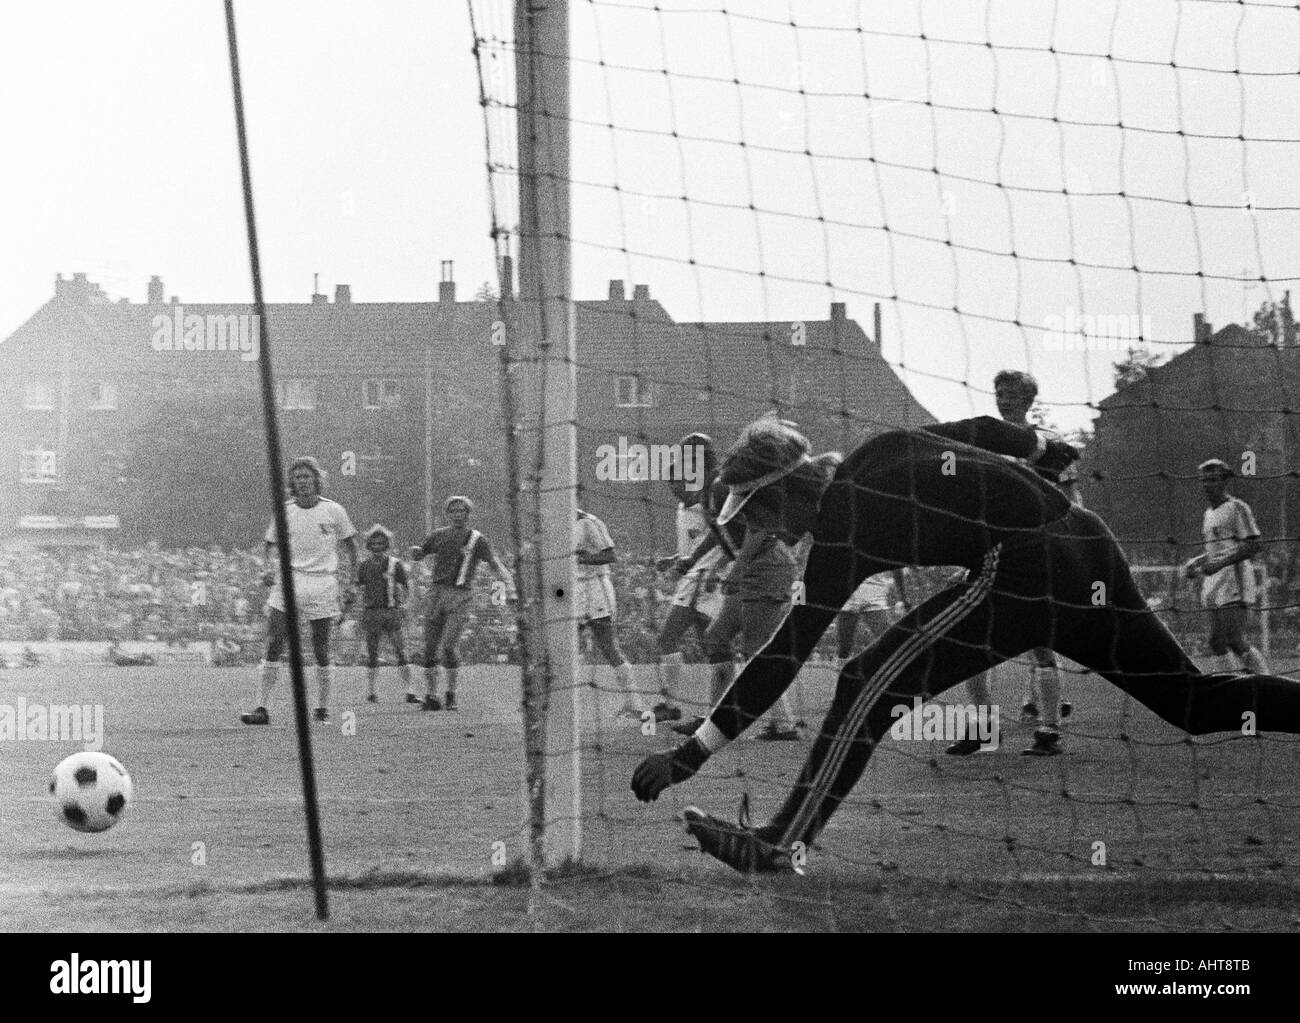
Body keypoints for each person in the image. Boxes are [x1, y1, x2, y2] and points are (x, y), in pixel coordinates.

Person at [630, 415, 1300, 874]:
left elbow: (783, 652)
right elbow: (983, 432)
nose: (771, 534)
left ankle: (780, 844)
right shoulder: (878, 451)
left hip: (1027, 565)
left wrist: (693, 751)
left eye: (763, 518)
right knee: (1193, 701)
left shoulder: (840, 528)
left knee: (867, 680)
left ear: (782, 491)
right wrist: (1042, 446)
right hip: (1083, 539)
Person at [950, 370, 1077, 757]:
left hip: (1034, 554)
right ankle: (985, 728)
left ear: (1029, 399)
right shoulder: (986, 446)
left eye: (1010, 394)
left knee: (1039, 644)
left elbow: (1073, 500)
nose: (1003, 400)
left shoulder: (1050, 446)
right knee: (970, 642)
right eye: (998, 393)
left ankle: (1049, 730)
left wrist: (1066, 546)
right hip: (991, 555)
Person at [241, 456, 358, 726]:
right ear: (292, 482)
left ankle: (322, 709)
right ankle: (262, 708)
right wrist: (267, 567)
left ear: (317, 479)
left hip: (322, 583)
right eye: (298, 477)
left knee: (320, 646)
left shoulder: (334, 511)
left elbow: (351, 546)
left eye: (307, 476)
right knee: (275, 641)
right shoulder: (284, 511)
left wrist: (352, 582)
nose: (303, 481)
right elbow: (269, 545)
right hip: (289, 580)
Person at [653, 433, 732, 723]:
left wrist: (715, 568)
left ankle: (712, 713)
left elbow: (722, 536)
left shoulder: (709, 498)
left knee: (711, 646)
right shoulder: (683, 508)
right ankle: (674, 706)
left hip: (710, 579)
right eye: (670, 482)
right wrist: (675, 559)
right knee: (679, 640)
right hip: (693, 578)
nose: (673, 487)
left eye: (678, 480)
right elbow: (695, 544)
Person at [410, 496, 514, 711]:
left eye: (462, 511)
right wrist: (416, 553)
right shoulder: (438, 535)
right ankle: (431, 695)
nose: (457, 514)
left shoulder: (477, 539)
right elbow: (421, 552)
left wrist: (508, 582)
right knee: (429, 648)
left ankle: (451, 692)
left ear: (468, 514)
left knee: (448, 645)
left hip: (460, 595)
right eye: (453, 511)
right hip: (436, 593)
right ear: (447, 514)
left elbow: (494, 562)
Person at [1184, 459, 1269, 674]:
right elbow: (1217, 549)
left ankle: (1266, 681)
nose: (1207, 485)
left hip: (1235, 578)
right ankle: (1232, 687)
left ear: (1224, 482)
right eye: (1203, 480)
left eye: (1212, 480)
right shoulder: (1208, 514)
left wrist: (1220, 563)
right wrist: (1198, 561)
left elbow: (1254, 543)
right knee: (1215, 642)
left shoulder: (1237, 507)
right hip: (1215, 581)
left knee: (1234, 639)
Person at [575, 507, 644, 721]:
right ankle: (563, 703)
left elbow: (610, 555)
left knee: (608, 646)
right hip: (573, 588)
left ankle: (635, 704)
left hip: (595, 587)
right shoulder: (557, 523)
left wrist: (583, 559)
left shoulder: (589, 522)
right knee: (565, 644)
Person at [356, 524, 414, 702]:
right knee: (372, 653)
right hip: (372, 613)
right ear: (369, 544)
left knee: (400, 651)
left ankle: (410, 691)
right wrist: (359, 609)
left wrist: (407, 603)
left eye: (381, 543)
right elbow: (358, 588)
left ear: (386, 544)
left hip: (391, 612)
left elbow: (407, 585)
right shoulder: (364, 566)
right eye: (374, 543)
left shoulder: (395, 564)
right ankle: (372, 692)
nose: (377, 546)